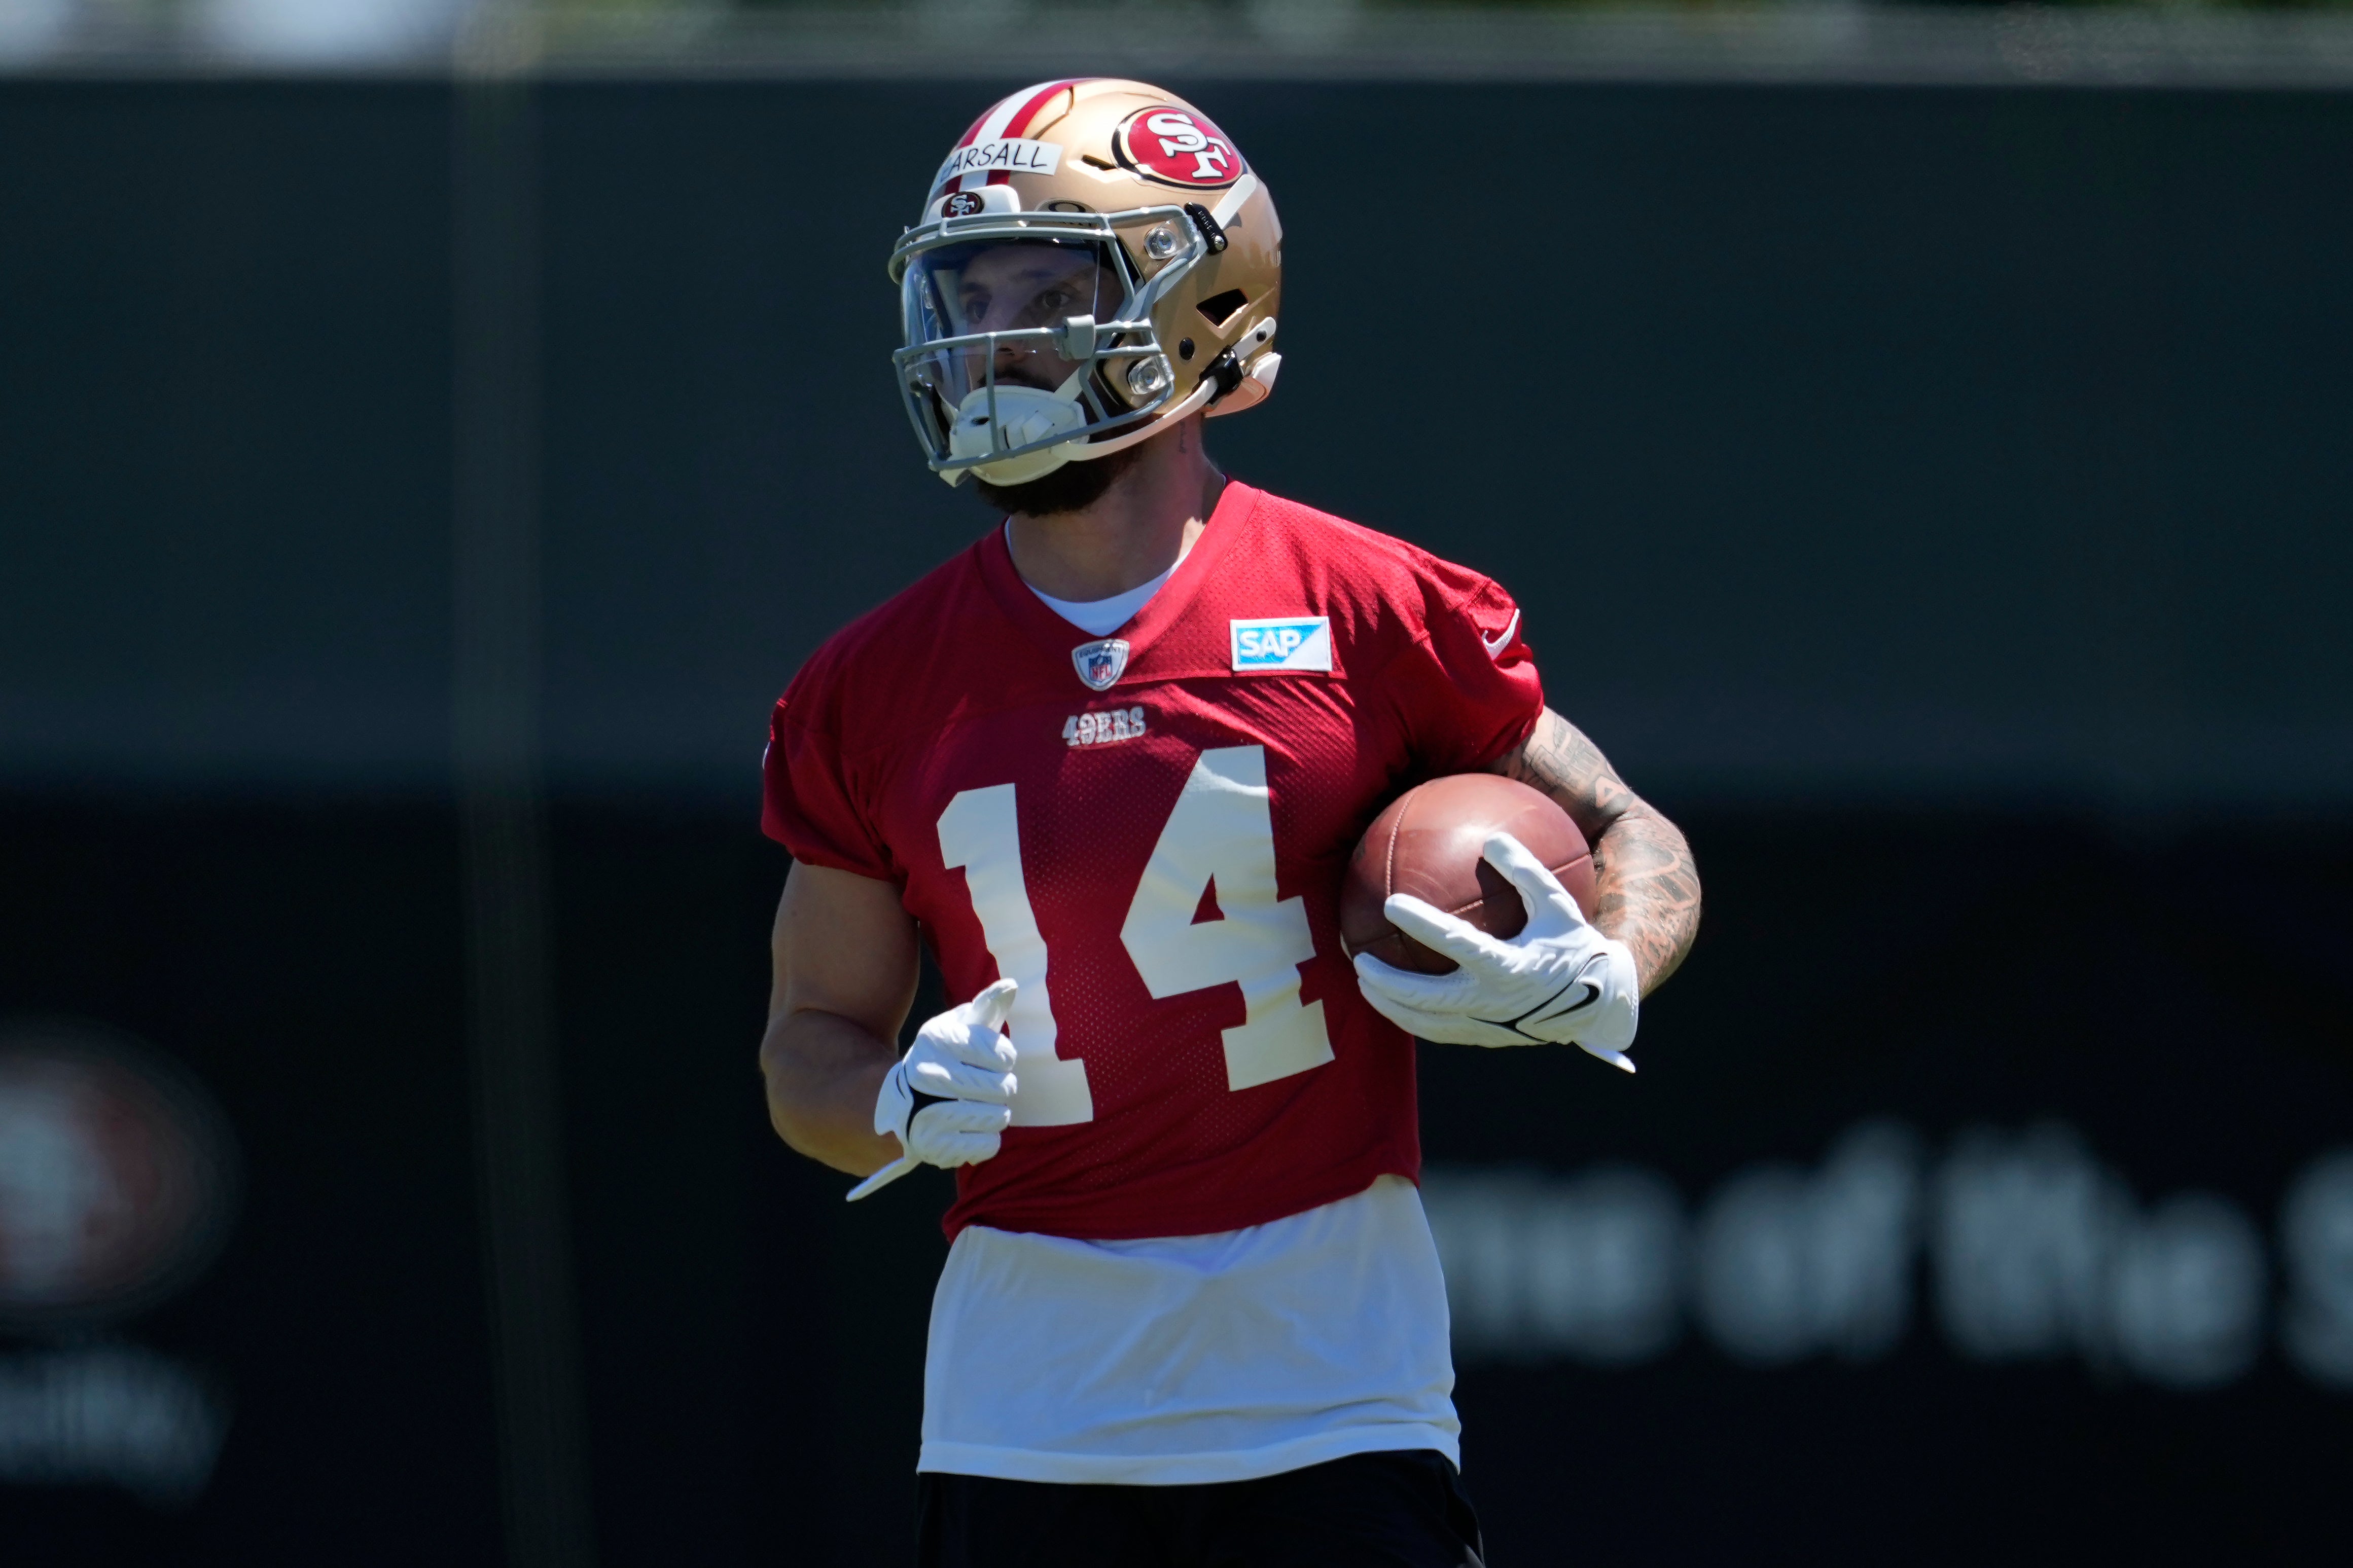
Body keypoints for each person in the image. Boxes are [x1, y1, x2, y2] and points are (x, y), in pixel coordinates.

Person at [759, 79, 1701, 1567]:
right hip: (1028, 1402)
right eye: (971, 290)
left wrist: (1615, 963)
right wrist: (886, 1103)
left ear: (1205, 312)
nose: (995, 337)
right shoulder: (865, 691)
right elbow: (808, 1042)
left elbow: (1633, 830)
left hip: (1335, 1389)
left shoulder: (1368, 607)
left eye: (1056, 287)